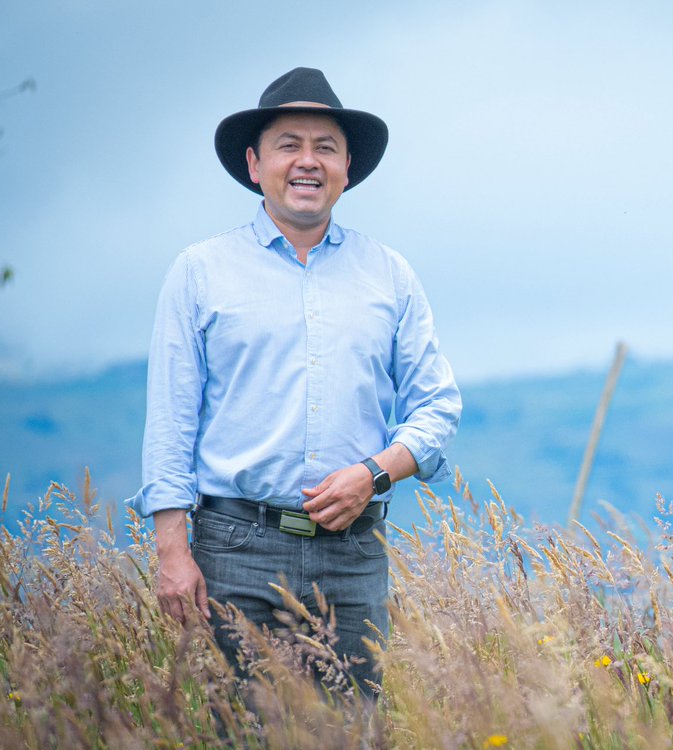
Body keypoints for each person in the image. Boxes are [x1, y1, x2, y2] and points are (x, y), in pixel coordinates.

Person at [128, 67, 461, 696]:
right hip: (234, 551)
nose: (307, 162)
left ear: (346, 168)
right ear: (255, 164)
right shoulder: (200, 272)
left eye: (325, 148)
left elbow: (437, 407)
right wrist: (173, 553)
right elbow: (171, 422)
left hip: (354, 556)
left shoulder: (389, 274)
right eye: (289, 145)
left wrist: (374, 473)